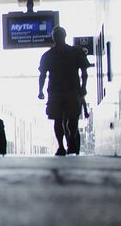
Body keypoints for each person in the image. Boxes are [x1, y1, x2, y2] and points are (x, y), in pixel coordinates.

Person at [38, 26, 90, 155]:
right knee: (70, 118)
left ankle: (63, 145)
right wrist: (83, 88)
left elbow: (42, 75)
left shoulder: (48, 55)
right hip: (71, 90)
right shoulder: (76, 52)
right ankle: (68, 141)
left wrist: (41, 90)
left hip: (57, 91)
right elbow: (84, 72)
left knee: (59, 119)